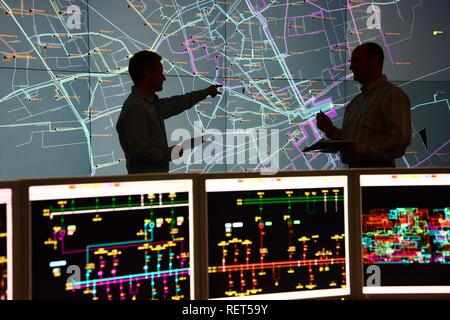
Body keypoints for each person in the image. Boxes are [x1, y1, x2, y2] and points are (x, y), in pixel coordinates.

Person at [116, 50, 222, 173]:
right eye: (160, 72)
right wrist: (179, 149)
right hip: (145, 184)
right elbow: (143, 154)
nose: (164, 78)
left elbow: (176, 104)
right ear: (147, 74)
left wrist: (206, 92)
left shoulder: (149, 104)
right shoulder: (136, 107)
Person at [316, 42, 411, 168]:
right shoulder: (355, 103)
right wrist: (331, 130)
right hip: (353, 174)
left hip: (377, 177)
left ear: (373, 61)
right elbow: (350, 141)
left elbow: (399, 141)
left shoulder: (392, 95)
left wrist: (359, 149)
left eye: (356, 61)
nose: (351, 67)